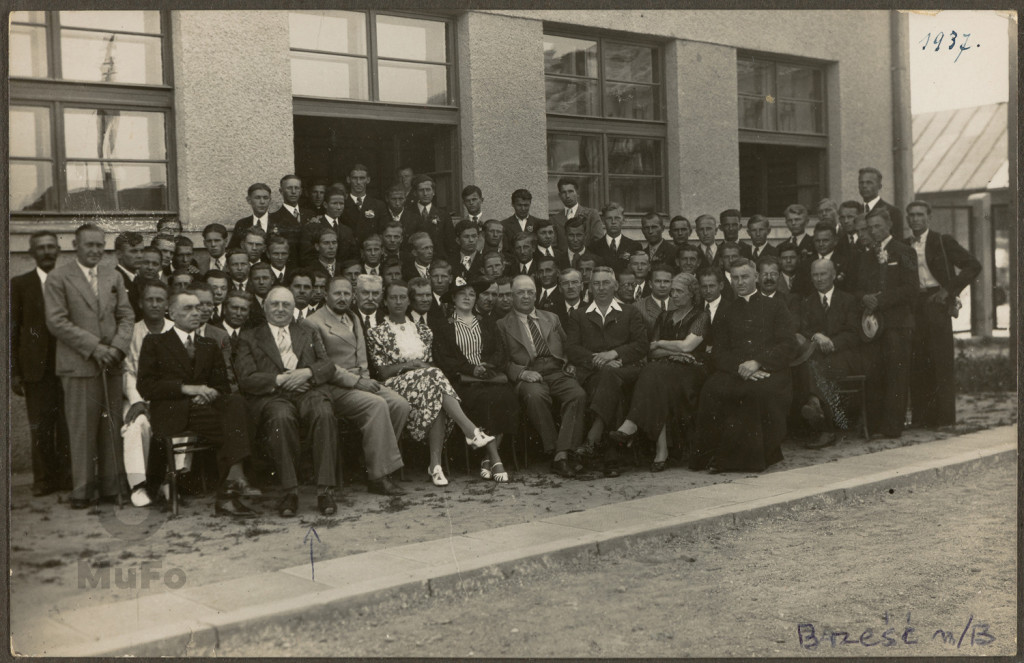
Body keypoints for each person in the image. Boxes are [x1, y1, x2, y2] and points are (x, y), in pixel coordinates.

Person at [137, 291, 258, 517]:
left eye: (198, 308)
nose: (196, 313)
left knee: (236, 403)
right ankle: (232, 485)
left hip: (205, 410)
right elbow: (146, 387)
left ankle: (230, 490)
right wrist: (188, 389)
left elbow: (221, 386)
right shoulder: (155, 342)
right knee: (233, 425)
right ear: (171, 313)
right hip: (173, 411)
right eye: (188, 309)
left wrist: (209, 391)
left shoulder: (208, 344)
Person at [366, 280, 495, 486]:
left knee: (436, 393)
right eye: (393, 297)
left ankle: (435, 466)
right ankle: (471, 431)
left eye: (403, 297)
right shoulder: (376, 332)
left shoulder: (424, 331)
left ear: (409, 301)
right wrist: (412, 365)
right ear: (386, 301)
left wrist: (423, 368)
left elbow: (432, 363)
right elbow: (382, 371)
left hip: (426, 386)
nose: (398, 302)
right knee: (435, 377)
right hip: (395, 386)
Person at [44, 224, 135, 508]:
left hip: (111, 363)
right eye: (89, 245)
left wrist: (118, 348)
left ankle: (111, 486)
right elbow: (56, 321)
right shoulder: (59, 278)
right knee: (82, 429)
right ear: (75, 245)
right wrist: (95, 348)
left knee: (111, 426)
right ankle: (82, 490)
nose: (95, 250)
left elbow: (126, 315)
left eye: (99, 245)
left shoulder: (112, 276)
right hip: (79, 364)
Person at [234, 287, 342, 517]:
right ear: (264, 307)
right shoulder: (250, 337)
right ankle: (289, 491)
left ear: (294, 309)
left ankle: (325, 491)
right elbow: (246, 378)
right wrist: (281, 379)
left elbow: (328, 365)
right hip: (272, 396)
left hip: (307, 391)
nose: (281, 309)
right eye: (275, 304)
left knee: (324, 412)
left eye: (286, 305)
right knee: (281, 418)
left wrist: (307, 373)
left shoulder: (307, 331)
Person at [305, 276, 409, 496]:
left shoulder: (352, 317)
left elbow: (360, 357)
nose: (343, 298)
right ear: (325, 295)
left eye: (346, 294)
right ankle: (378, 477)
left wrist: (365, 379)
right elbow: (323, 365)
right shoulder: (313, 322)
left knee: (400, 404)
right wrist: (357, 382)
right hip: (334, 386)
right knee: (377, 405)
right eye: (337, 293)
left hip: (360, 382)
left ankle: (371, 459)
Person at [691, 259, 797, 473]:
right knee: (711, 389)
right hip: (736, 370)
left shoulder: (776, 306)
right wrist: (741, 367)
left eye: (745, 277)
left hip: (771, 370)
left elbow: (788, 344)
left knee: (753, 393)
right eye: (735, 278)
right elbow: (719, 352)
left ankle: (743, 459)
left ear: (756, 277)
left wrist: (758, 362)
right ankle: (710, 453)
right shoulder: (725, 311)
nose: (740, 282)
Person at [611, 272, 710, 470]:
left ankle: (634, 427)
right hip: (664, 369)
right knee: (656, 376)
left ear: (691, 294)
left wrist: (662, 344)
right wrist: (670, 349)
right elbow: (650, 350)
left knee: (653, 373)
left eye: (679, 291)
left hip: (692, 371)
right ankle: (661, 450)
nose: (674, 295)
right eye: (672, 291)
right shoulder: (664, 316)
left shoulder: (701, 316)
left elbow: (687, 347)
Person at [495, 275, 587, 478]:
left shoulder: (551, 318)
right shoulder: (502, 324)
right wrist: (521, 373)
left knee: (577, 394)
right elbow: (501, 360)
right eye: (520, 293)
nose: (526, 297)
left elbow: (568, 346)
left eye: (530, 292)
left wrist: (570, 363)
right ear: (512, 296)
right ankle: (557, 452)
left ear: (536, 295)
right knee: (535, 396)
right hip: (528, 373)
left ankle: (560, 454)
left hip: (556, 370)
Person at [566, 266, 648, 477]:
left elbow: (641, 345)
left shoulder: (630, 312)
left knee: (610, 378)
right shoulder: (579, 315)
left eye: (606, 283)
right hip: (594, 373)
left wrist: (614, 354)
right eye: (596, 284)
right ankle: (612, 457)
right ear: (590, 287)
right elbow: (573, 349)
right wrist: (599, 361)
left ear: (615, 286)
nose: (601, 288)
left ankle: (593, 439)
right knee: (611, 385)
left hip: (626, 370)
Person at [905, 200, 980, 428]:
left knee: (940, 359)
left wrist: (949, 290)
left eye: (920, 215)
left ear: (929, 217)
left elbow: (973, 265)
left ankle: (944, 418)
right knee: (918, 359)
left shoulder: (941, 240)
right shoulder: (904, 243)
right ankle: (921, 419)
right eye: (911, 215)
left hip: (936, 301)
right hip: (913, 304)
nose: (915, 219)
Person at [433, 278, 516, 483]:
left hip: (490, 377)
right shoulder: (444, 326)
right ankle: (496, 459)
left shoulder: (487, 322)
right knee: (484, 400)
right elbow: (444, 358)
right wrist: (471, 369)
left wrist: (487, 366)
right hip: (464, 383)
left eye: (471, 294)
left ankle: (487, 459)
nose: (468, 297)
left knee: (507, 398)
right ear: (453, 298)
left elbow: (500, 352)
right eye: (462, 293)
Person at [12, 231, 71, 497]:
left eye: (51, 247)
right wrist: (14, 371)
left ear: (59, 250)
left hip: (68, 363)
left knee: (68, 424)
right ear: (32, 252)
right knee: (41, 425)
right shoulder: (20, 284)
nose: (47, 252)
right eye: (41, 248)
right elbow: (13, 329)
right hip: (36, 367)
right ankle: (44, 479)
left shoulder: (69, 280)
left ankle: (68, 477)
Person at [853, 209, 918, 439]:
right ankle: (875, 424)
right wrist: (864, 298)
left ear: (889, 225)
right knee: (875, 372)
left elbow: (911, 288)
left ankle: (893, 427)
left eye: (878, 226)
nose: (873, 231)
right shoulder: (866, 255)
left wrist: (881, 300)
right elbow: (858, 286)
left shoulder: (904, 251)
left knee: (896, 375)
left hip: (897, 324)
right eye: (870, 227)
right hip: (872, 325)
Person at [796, 259, 864, 449]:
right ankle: (820, 415)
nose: (819, 279)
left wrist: (833, 342)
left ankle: (818, 412)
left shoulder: (848, 300)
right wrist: (816, 336)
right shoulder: (807, 302)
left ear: (833, 275)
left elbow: (854, 333)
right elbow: (802, 329)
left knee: (817, 368)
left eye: (823, 274)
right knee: (815, 366)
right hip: (818, 356)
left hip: (844, 356)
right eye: (815, 275)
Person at [121, 279, 175, 507]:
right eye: (149, 300)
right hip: (138, 398)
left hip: (171, 397)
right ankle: (139, 485)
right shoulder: (131, 332)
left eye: (159, 300)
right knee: (136, 425)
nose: (154, 304)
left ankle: (170, 480)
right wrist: (138, 400)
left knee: (176, 419)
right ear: (141, 304)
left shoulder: (176, 330)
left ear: (167, 304)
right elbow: (126, 371)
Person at [229, 183, 296, 252]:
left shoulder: (281, 222)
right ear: (249, 200)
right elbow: (233, 249)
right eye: (257, 198)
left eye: (265, 198)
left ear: (270, 200)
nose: (262, 202)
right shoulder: (242, 224)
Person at [300, 185, 356, 267]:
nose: (339, 207)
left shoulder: (347, 230)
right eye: (334, 203)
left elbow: (352, 256)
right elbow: (306, 257)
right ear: (325, 205)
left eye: (341, 203)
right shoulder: (311, 227)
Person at [405, 174, 453, 261]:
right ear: (415, 193)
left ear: (433, 192)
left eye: (428, 190)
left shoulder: (443, 215)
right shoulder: (408, 213)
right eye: (421, 190)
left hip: (438, 261)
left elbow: (450, 244)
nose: (425, 194)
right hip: (415, 261)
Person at [588, 203, 641, 275]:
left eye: (617, 218)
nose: (613, 222)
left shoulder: (634, 246)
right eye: (609, 218)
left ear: (623, 220)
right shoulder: (593, 247)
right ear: (603, 221)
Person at [551, 176, 605, 246]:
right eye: (564, 192)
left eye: (570, 191)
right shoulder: (555, 219)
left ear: (577, 193)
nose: (567, 196)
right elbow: (554, 246)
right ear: (560, 196)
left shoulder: (592, 215)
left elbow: (599, 242)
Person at [342, 164, 389, 241]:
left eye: (362, 178)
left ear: (368, 180)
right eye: (354, 178)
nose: (358, 182)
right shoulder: (341, 204)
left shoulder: (378, 205)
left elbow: (383, 232)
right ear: (348, 179)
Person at [858, 167, 904, 240]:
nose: (864, 186)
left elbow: (897, 242)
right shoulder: (857, 211)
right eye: (861, 183)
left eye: (869, 183)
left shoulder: (893, 212)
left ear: (879, 186)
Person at [636, 263, 675, 336]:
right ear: (650, 284)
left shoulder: (680, 305)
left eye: (666, 281)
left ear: (672, 284)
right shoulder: (638, 307)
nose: (662, 285)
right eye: (658, 281)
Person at [114, 231, 144, 318]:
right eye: (133, 251)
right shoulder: (113, 280)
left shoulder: (141, 279)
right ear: (119, 254)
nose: (139, 256)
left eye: (142, 251)